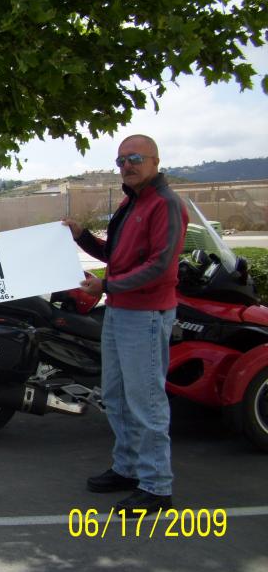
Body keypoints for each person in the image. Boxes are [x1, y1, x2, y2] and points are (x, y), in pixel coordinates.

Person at [63, 135, 188, 514]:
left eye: (134, 158)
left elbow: (159, 266)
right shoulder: (132, 202)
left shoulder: (165, 204)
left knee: (145, 401)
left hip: (145, 315)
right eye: (121, 160)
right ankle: (128, 468)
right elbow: (114, 255)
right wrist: (82, 236)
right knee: (116, 397)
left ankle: (156, 486)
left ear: (155, 161)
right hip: (120, 311)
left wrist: (107, 286)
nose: (127, 166)